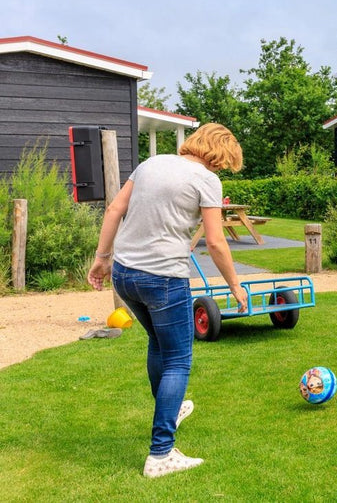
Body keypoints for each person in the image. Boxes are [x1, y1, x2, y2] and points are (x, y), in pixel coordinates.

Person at [86, 123, 247, 478]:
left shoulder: (151, 163)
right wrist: (235, 285)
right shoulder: (206, 179)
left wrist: (101, 257)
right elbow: (217, 243)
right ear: (216, 155)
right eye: (222, 164)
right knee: (178, 360)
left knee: (159, 344)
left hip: (126, 275)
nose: (220, 170)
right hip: (163, 279)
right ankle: (161, 454)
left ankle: (169, 410)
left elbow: (114, 209)